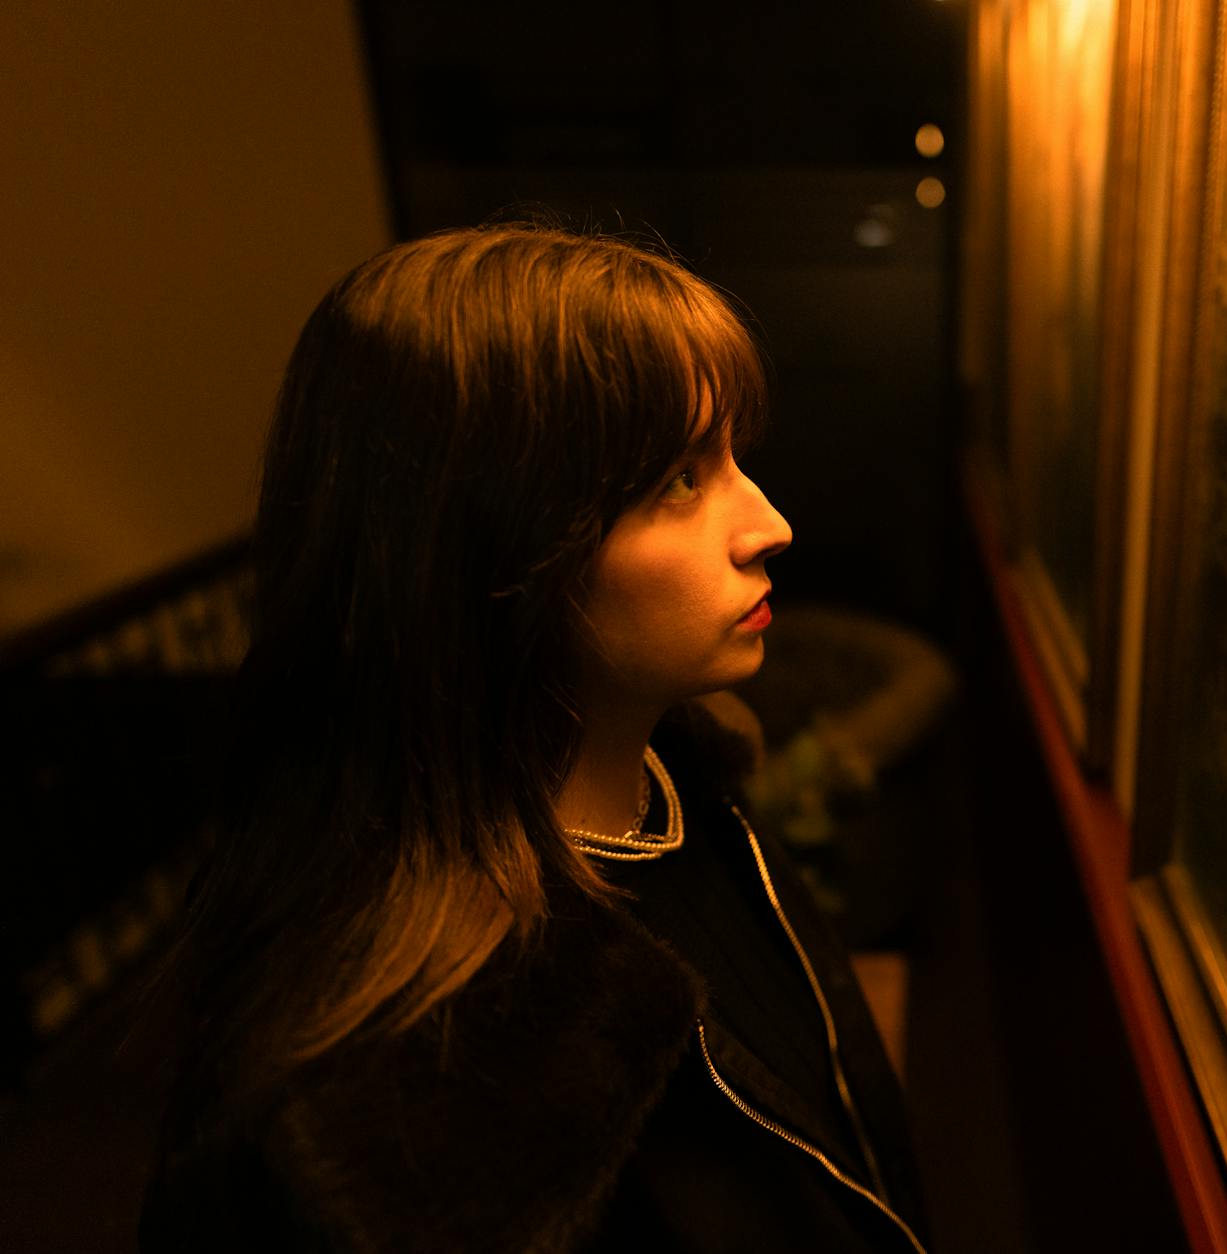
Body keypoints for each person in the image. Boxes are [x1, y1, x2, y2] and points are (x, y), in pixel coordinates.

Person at [138, 224, 929, 1253]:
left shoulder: (680, 781)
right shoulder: (400, 1091)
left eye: (733, 455)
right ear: (491, 550)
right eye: (678, 481)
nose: (767, 522)